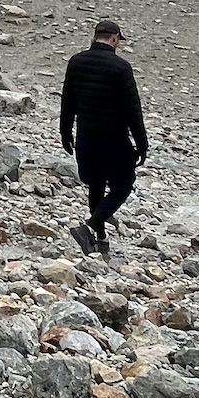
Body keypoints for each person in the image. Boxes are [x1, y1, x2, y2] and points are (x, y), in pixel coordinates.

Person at [58, 19, 149, 255]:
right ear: (115, 39)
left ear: (94, 36)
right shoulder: (121, 68)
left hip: (85, 137)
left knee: (95, 184)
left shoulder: (76, 61)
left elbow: (68, 100)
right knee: (123, 185)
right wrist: (141, 143)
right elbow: (132, 109)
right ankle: (89, 227)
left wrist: (65, 131)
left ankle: (99, 239)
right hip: (114, 139)